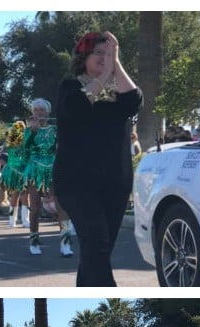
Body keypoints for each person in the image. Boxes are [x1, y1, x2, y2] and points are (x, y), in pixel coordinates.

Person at [53, 31, 143, 286]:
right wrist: (104, 77)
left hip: (115, 183)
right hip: (77, 183)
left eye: (110, 53)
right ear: (84, 56)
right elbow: (77, 107)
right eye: (99, 53)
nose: (105, 58)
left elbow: (134, 101)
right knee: (97, 244)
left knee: (96, 254)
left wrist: (116, 64)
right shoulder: (71, 87)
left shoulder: (119, 89)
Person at [23, 99, 74, 257]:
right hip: (35, 169)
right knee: (35, 207)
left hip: (53, 169)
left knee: (61, 206)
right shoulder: (28, 130)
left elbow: (64, 146)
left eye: (42, 110)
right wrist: (32, 132)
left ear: (48, 113)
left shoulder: (55, 129)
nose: (39, 113)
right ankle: (34, 241)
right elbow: (25, 149)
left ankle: (65, 243)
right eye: (36, 110)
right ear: (32, 113)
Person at [0, 121, 28, 228]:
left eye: (22, 129)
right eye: (18, 129)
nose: (20, 131)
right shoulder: (10, 142)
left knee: (25, 196)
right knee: (14, 195)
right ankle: (12, 221)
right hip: (14, 171)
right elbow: (4, 155)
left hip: (24, 171)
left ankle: (25, 220)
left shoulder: (26, 141)